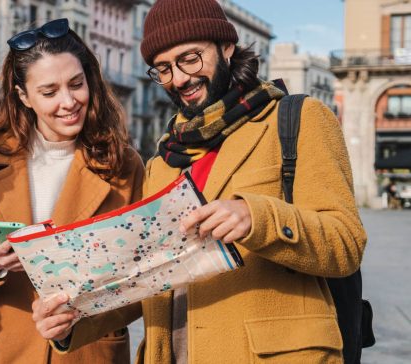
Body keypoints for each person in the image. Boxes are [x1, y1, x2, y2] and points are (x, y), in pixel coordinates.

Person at [32, 1, 368, 363]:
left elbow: (346, 243)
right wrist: (72, 323)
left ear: (226, 47)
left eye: (190, 58)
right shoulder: (162, 162)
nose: (178, 79)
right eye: (163, 69)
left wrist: (257, 218)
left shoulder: (298, 120)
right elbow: (148, 281)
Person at [0, 18, 145, 364]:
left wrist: (81, 321)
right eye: (50, 92)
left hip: (90, 352)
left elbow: (147, 277)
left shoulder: (125, 164)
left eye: (76, 84)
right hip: (2, 351)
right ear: (23, 96)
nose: (68, 102)